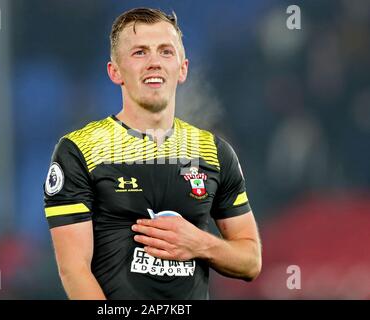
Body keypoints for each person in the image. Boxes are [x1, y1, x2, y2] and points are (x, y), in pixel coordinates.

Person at [43, 7, 262, 300]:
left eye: (165, 52)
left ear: (182, 68)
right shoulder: (79, 151)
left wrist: (199, 244)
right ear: (115, 71)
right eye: (140, 53)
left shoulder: (214, 152)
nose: (154, 63)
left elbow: (250, 261)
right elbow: (73, 269)